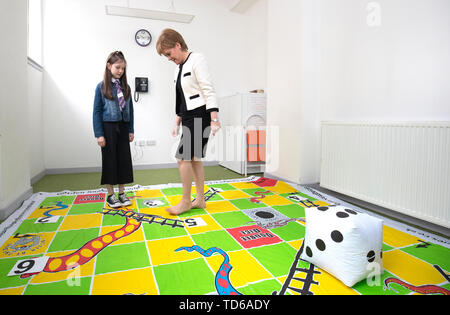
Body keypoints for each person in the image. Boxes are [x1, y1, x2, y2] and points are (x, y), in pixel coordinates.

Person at [156, 29, 221, 215]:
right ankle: (200, 199)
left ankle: (185, 201)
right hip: (187, 116)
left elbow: (208, 90)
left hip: (200, 114)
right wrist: (177, 121)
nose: (168, 58)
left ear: (178, 45)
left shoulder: (197, 59)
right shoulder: (177, 68)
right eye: (165, 56)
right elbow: (182, 98)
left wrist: (214, 118)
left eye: (168, 53)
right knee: (194, 160)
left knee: (182, 158)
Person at [93, 51, 134, 208]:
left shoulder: (126, 87)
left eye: (123, 68)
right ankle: (111, 195)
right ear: (109, 66)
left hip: (123, 127)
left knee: (124, 159)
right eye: (117, 67)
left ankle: (122, 193)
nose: (120, 71)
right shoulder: (101, 87)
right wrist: (99, 134)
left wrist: (131, 129)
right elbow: (96, 111)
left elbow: (130, 110)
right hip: (108, 127)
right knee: (110, 160)